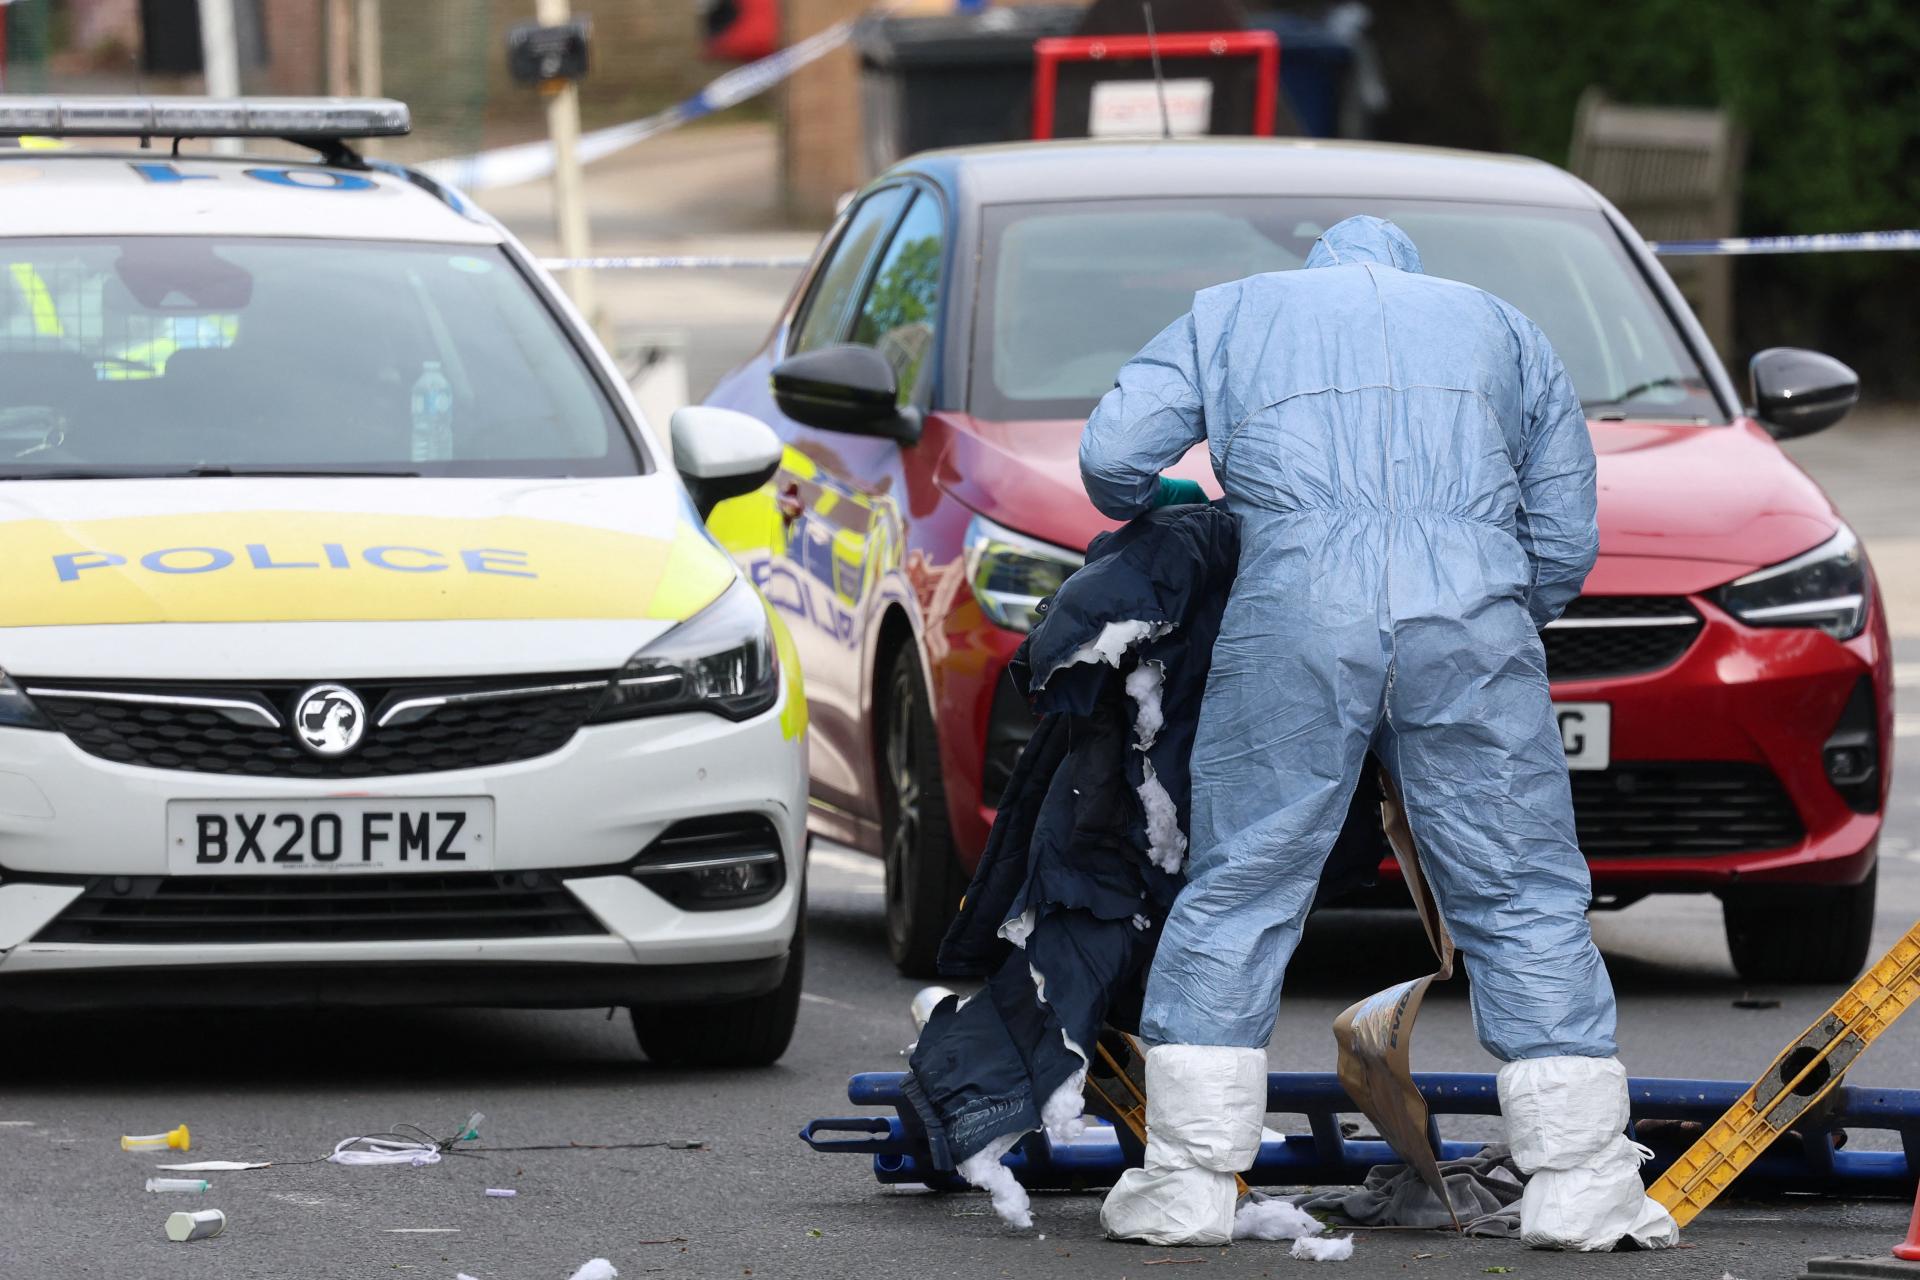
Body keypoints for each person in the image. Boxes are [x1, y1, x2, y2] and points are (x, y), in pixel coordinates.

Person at [1077, 215, 1678, 1252]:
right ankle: (1580, 1182)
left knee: (1245, 879)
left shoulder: (1234, 313)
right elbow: (1568, 535)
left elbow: (1112, 457)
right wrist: (1490, 613)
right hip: (1471, 611)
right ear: (1410, 271)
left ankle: (1187, 1183)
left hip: (1298, 606)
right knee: (1519, 885)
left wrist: (1174, 503)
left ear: (1318, 268)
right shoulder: (1504, 324)